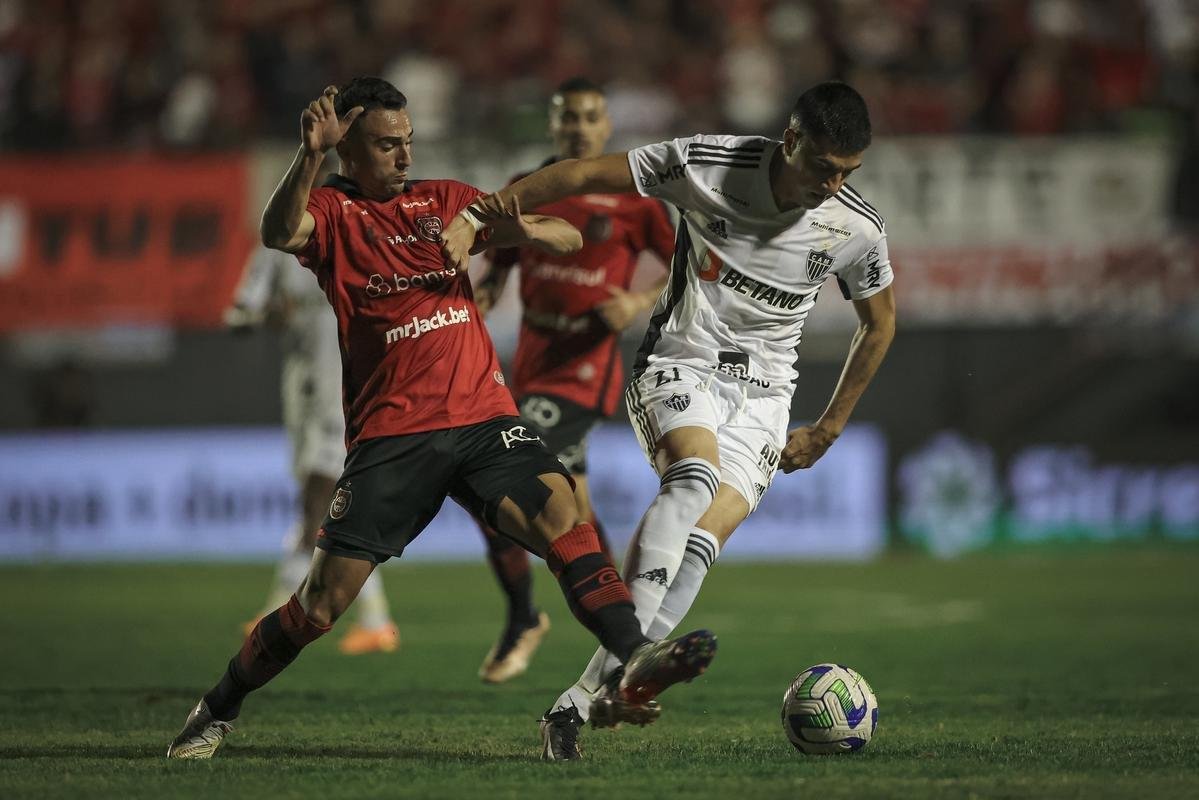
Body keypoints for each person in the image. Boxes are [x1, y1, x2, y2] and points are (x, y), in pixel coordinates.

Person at [167, 77, 717, 760]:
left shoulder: (445, 200)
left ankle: (632, 657)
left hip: (484, 418)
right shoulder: (334, 211)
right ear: (347, 149)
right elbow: (279, 231)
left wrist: (503, 225)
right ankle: (218, 706)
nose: (404, 155)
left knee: (563, 515)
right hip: (394, 436)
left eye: (408, 141)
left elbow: (566, 236)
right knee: (319, 606)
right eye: (386, 145)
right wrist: (308, 156)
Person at [442, 81, 896, 761]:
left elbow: (879, 323)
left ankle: (577, 704)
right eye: (823, 167)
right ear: (791, 140)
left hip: (765, 398)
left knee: (700, 545)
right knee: (691, 480)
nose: (832, 185)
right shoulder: (708, 164)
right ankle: (635, 655)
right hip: (682, 362)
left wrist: (828, 427)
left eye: (846, 173)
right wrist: (482, 212)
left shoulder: (856, 228)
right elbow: (582, 174)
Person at [471, 77, 675, 684]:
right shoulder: (527, 188)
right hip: (532, 362)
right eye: (568, 117)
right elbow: (497, 268)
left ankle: (524, 617)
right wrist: (479, 299)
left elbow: (687, 268)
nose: (579, 127)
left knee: (498, 479)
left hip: (585, 371)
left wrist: (635, 301)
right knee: (574, 513)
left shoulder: (637, 199)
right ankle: (624, 637)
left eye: (590, 117)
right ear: (553, 126)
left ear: (606, 126)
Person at [226, 237, 399, 656]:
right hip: (300, 379)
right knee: (328, 505)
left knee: (320, 497)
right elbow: (241, 313)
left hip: (343, 377)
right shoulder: (275, 239)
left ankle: (279, 608)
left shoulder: (353, 229)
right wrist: (268, 314)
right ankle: (375, 619)